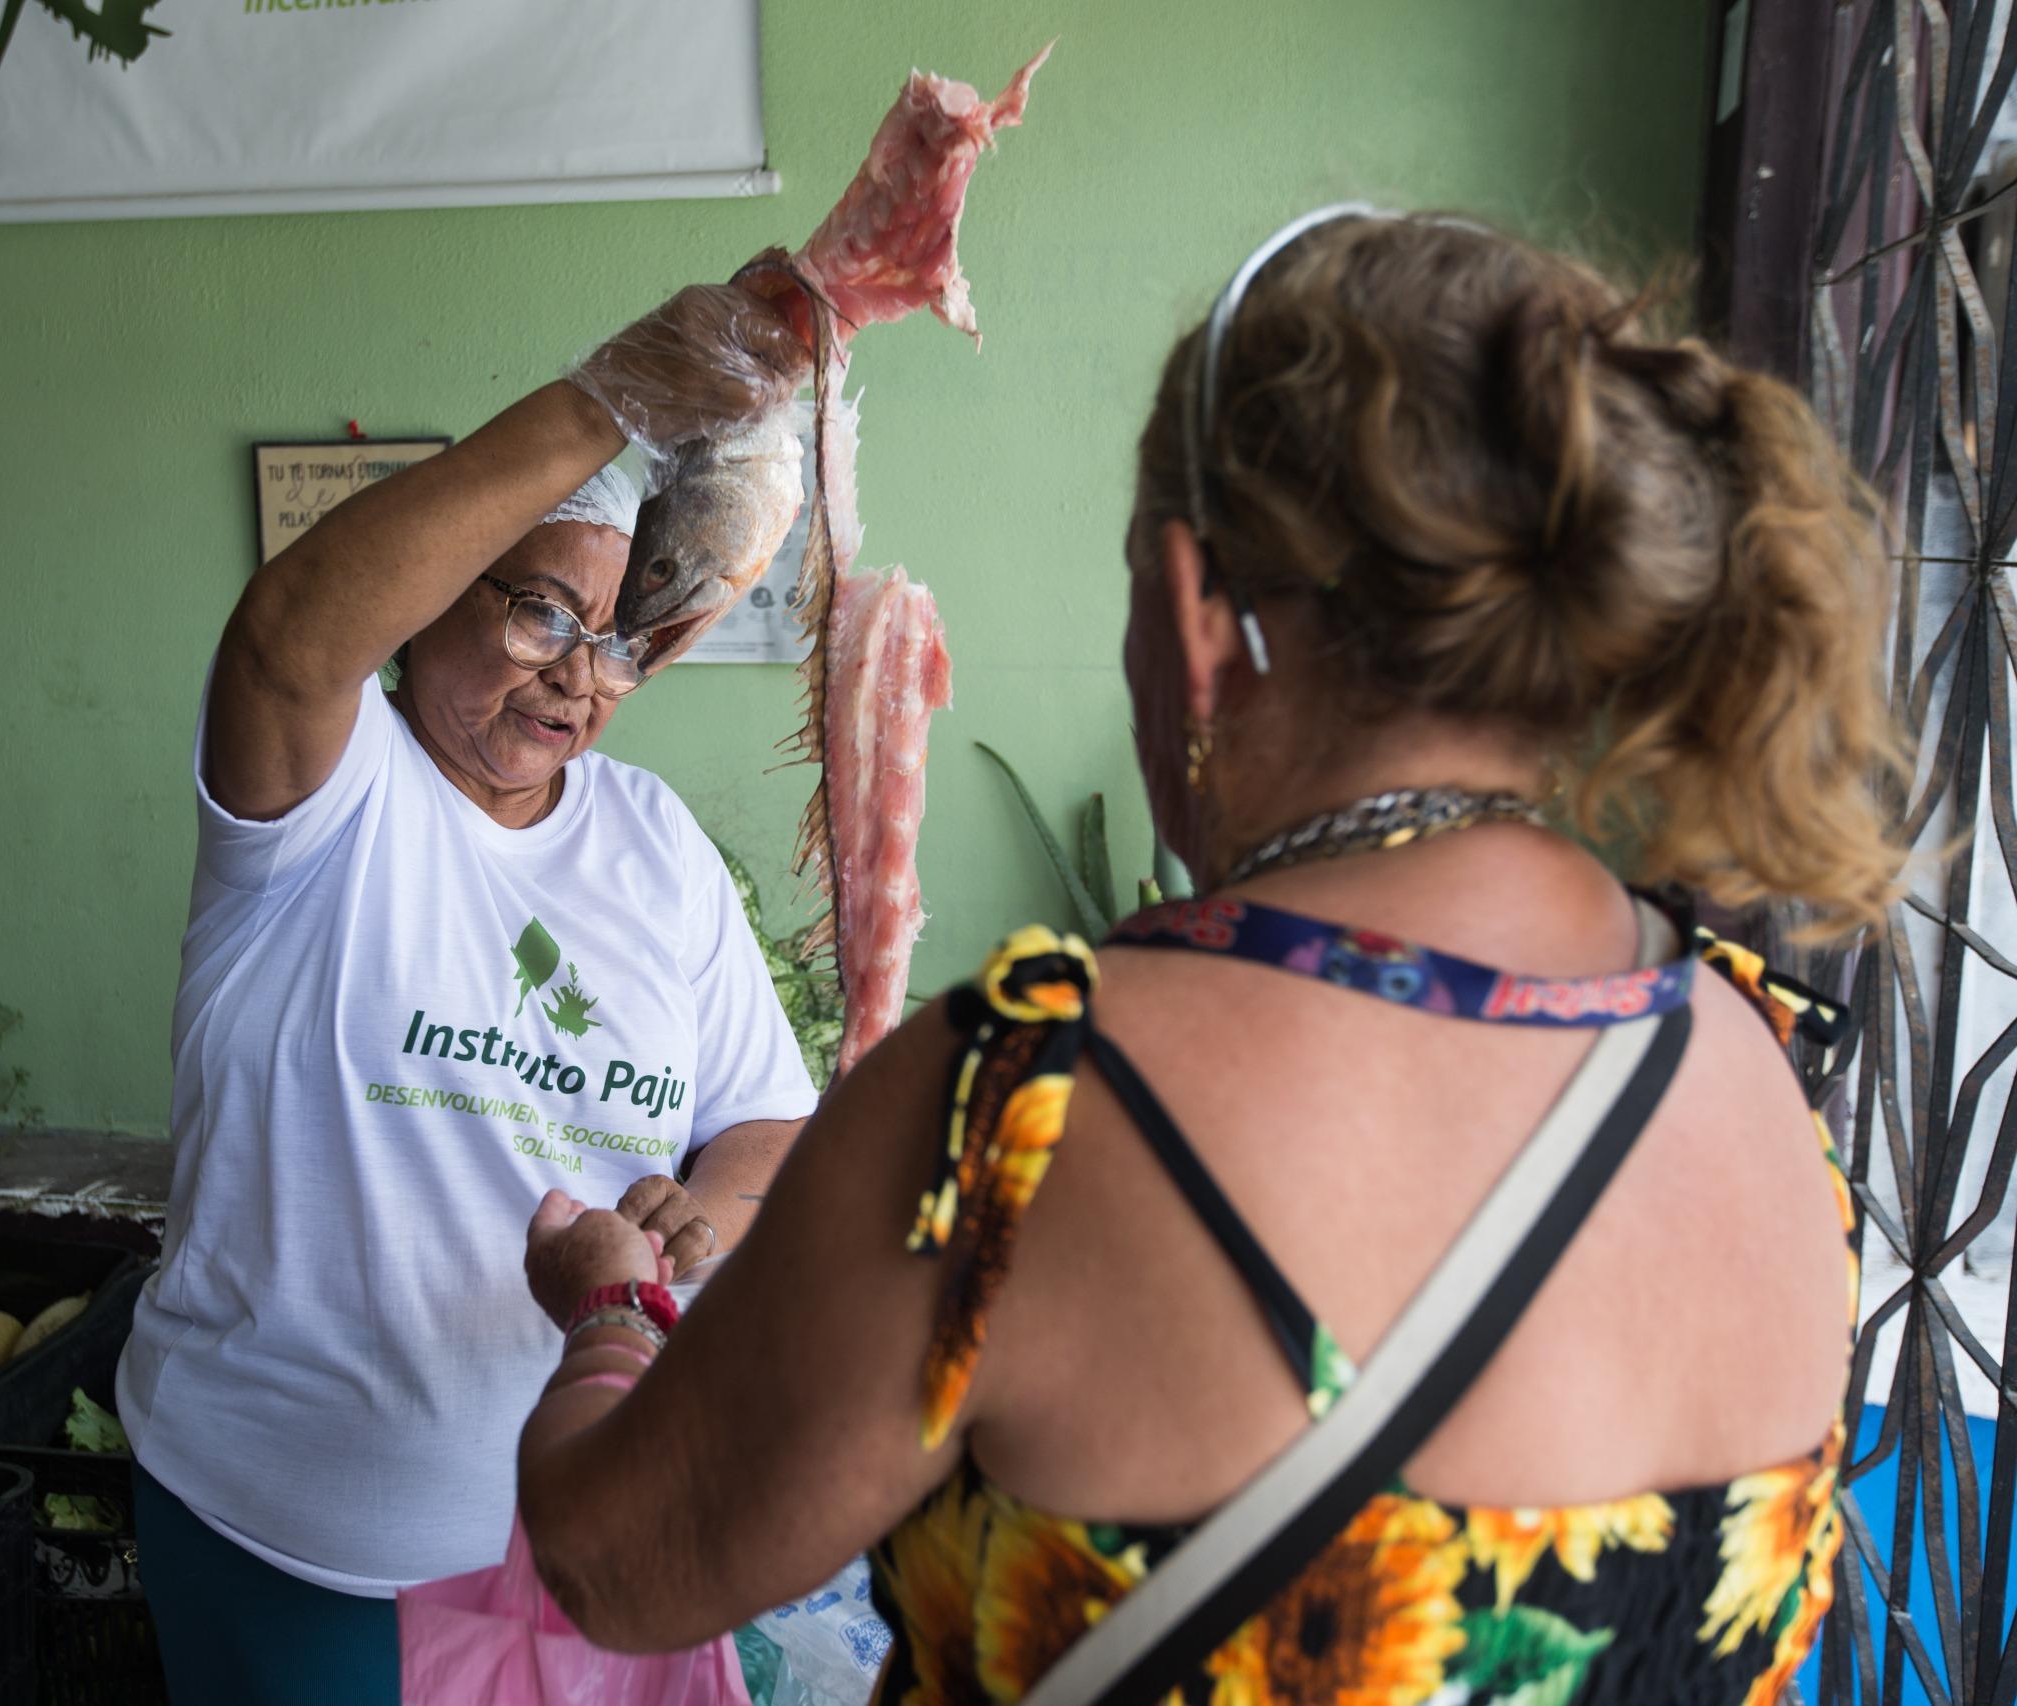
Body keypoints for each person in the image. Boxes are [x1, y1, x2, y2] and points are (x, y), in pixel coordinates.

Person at [515, 208, 1897, 1704]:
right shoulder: (1752, 1061)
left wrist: (608, 1306)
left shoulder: (1028, 1120)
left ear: (1190, 610)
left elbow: (615, 1556)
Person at [117, 282, 823, 1701]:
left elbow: (766, 1121)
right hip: (290, 1538)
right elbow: (284, 638)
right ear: (430, 593)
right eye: (542, 613)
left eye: (621, 639)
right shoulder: (329, 794)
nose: (581, 676)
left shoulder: (648, 843)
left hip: (574, 1536)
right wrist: (619, 394)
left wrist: (705, 1214)